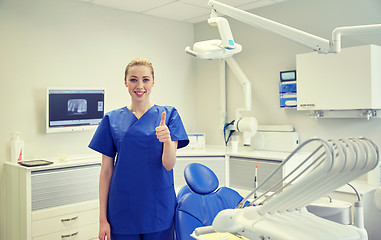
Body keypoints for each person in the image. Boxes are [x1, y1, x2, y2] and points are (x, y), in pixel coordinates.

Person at [89, 58, 189, 240]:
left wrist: (167, 140)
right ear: (125, 82)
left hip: (158, 207)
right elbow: (105, 172)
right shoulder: (112, 119)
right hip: (122, 208)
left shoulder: (169, 115)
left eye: (145, 79)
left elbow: (168, 164)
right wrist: (102, 218)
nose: (140, 85)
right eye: (133, 79)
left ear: (153, 82)